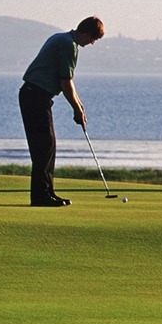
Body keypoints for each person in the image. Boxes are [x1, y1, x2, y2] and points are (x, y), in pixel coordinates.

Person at [18, 16, 105, 206]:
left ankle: (47, 193)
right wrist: (76, 110)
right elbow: (65, 82)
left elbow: (68, 82)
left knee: (47, 147)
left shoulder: (62, 38)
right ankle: (41, 197)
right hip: (35, 96)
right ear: (85, 33)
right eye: (93, 38)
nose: (92, 43)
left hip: (34, 95)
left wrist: (79, 106)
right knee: (44, 147)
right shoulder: (68, 45)